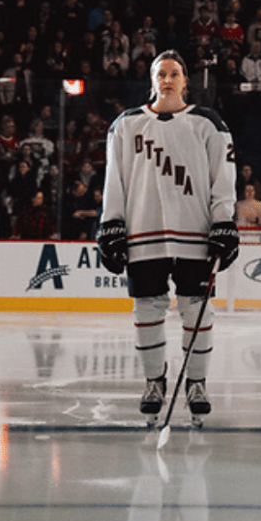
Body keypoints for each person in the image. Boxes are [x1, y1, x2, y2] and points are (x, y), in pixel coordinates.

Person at [97, 50, 239, 420]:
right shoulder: (126, 125)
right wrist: (111, 224)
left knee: (197, 310)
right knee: (147, 309)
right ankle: (154, 381)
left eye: (174, 72)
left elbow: (222, 181)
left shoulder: (208, 123)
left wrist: (224, 221)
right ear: (152, 79)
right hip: (144, 232)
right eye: (161, 73)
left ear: (185, 80)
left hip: (195, 233)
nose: (167, 79)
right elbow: (115, 181)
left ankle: (197, 382)